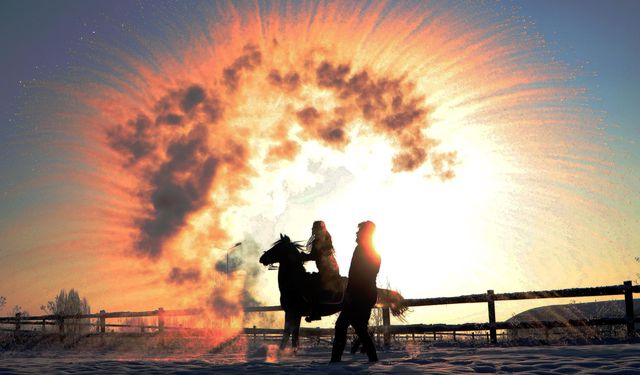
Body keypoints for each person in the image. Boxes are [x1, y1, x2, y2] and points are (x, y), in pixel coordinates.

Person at [331, 221, 380, 363]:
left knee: (345, 326)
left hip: (359, 296)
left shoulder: (364, 251)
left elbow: (359, 276)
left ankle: (335, 361)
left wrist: (350, 294)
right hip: (363, 295)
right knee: (359, 329)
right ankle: (373, 359)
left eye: (360, 231)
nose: (357, 233)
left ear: (366, 233)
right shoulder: (369, 251)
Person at [301, 221, 341, 322]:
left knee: (314, 286)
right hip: (329, 270)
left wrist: (301, 256)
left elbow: (314, 255)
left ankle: (316, 313)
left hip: (328, 272)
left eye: (315, 228)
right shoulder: (325, 239)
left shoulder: (320, 240)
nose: (313, 230)